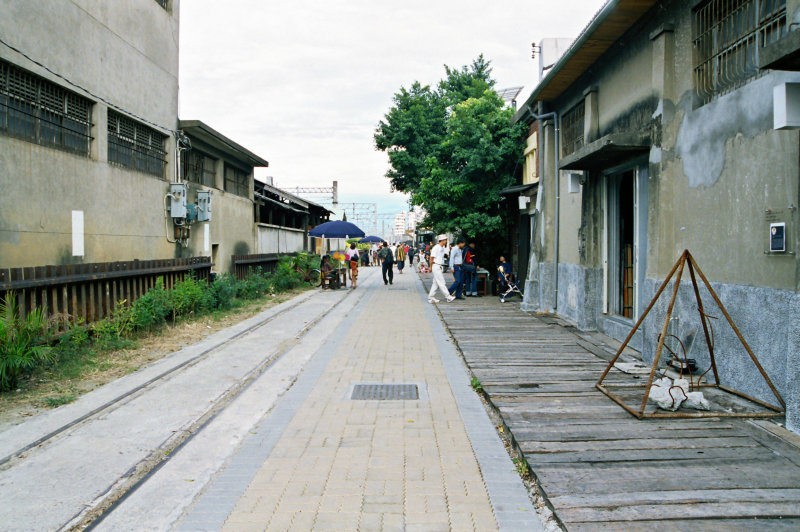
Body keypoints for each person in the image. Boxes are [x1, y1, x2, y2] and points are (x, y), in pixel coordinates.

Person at [428, 234, 455, 303]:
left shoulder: (442, 248)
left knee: (436, 283)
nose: (446, 241)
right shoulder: (436, 247)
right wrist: (430, 267)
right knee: (441, 282)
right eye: (445, 240)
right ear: (442, 240)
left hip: (438, 266)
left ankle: (431, 297)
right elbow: (431, 258)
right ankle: (448, 296)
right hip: (436, 266)